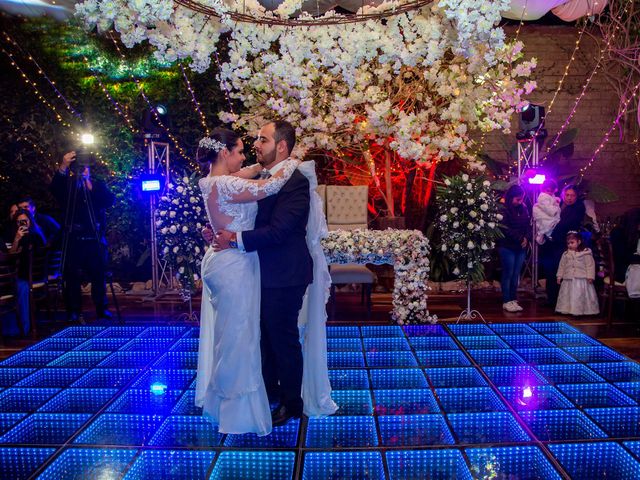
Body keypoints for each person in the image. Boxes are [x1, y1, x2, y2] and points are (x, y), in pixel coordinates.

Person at [212, 120, 337, 427]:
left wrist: (235, 239)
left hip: (284, 273)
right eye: (256, 139)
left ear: (281, 146)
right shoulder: (266, 175)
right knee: (264, 338)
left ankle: (292, 403)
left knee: (282, 339)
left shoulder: (294, 180)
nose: (256, 144)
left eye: (263, 140)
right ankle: (269, 393)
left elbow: (280, 231)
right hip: (258, 270)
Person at [195, 127, 301, 436]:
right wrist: (292, 162)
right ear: (224, 153)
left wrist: (262, 165)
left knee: (230, 334)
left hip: (226, 261)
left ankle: (223, 403)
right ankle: (236, 410)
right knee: (237, 336)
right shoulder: (227, 183)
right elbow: (271, 186)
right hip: (233, 266)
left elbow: (252, 172)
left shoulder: (210, 180)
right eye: (240, 150)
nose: (245, 155)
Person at [50, 151, 115, 322]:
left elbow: (108, 200)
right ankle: (74, 311)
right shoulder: (68, 186)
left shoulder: (97, 185)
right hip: (74, 239)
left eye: (85, 168)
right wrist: (63, 165)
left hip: (93, 238)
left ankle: (102, 308)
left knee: (98, 275)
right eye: (80, 168)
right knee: (71, 277)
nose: (82, 171)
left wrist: (88, 183)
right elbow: (55, 189)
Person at [539, 184, 585, 306]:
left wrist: (553, 231)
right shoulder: (558, 203)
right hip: (552, 243)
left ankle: (559, 301)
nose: (569, 198)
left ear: (576, 196)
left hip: (563, 244)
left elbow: (567, 224)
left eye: (572, 195)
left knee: (560, 271)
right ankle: (551, 299)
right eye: (567, 195)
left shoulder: (578, 207)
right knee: (550, 271)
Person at [7, 208, 46, 335]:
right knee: (17, 285)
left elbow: (12, 256)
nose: (22, 224)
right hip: (25, 275)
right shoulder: (21, 237)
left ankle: (24, 327)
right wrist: (17, 239)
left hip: (32, 277)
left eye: (24, 221)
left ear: (30, 221)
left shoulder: (35, 236)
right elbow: (11, 255)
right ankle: (17, 326)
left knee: (20, 286)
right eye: (19, 222)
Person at [497, 185, 530, 313]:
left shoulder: (524, 209)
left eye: (521, 199)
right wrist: (520, 238)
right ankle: (506, 300)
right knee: (508, 273)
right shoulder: (503, 210)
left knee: (516, 274)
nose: (519, 202)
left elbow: (528, 225)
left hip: (520, 247)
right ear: (511, 197)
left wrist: (526, 238)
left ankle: (513, 299)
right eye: (517, 199)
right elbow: (505, 228)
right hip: (507, 246)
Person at [556, 231, 599, 315]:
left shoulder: (585, 254)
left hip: (581, 279)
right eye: (568, 243)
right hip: (568, 279)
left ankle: (581, 310)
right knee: (568, 295)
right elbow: (562, 266)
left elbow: (590, 265)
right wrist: (559, 276)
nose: (570, 245)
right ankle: (567, 309)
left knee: (579, 296)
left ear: (579, 242)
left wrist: (590, 277)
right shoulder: (566, 254)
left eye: (572, 242)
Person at [532, 179, 560, 245]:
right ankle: (544, 235)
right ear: (543, 189)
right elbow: (550, 210)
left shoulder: (550, 196)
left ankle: (545, 235)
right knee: (547, 225)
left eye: (552, 191)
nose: (550, 193)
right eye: (548, 190)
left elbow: (552, 203)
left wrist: (556, 202)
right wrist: (556, 206)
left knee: (550, 225)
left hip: (548, 215)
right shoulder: (543, 197)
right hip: (545, 216)